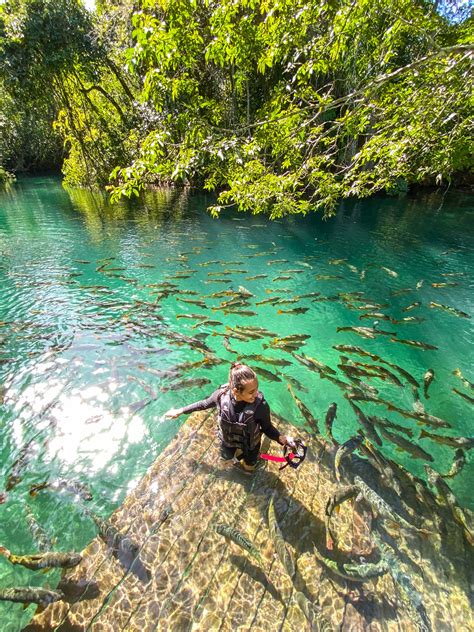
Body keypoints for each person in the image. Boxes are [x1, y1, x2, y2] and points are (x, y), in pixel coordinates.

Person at [164, 362, 296, 473]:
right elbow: (203, 404)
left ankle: (245, 466)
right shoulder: (221, 396)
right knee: (226, 460)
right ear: (235, 391)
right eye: (251, 392)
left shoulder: (260, 406)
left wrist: (281, 438)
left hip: (251, 445)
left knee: (248, 469)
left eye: (257, 389)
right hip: (227, 441)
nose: (256, 394)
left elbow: (267, 428)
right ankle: (236, 457)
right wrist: (180, 411)